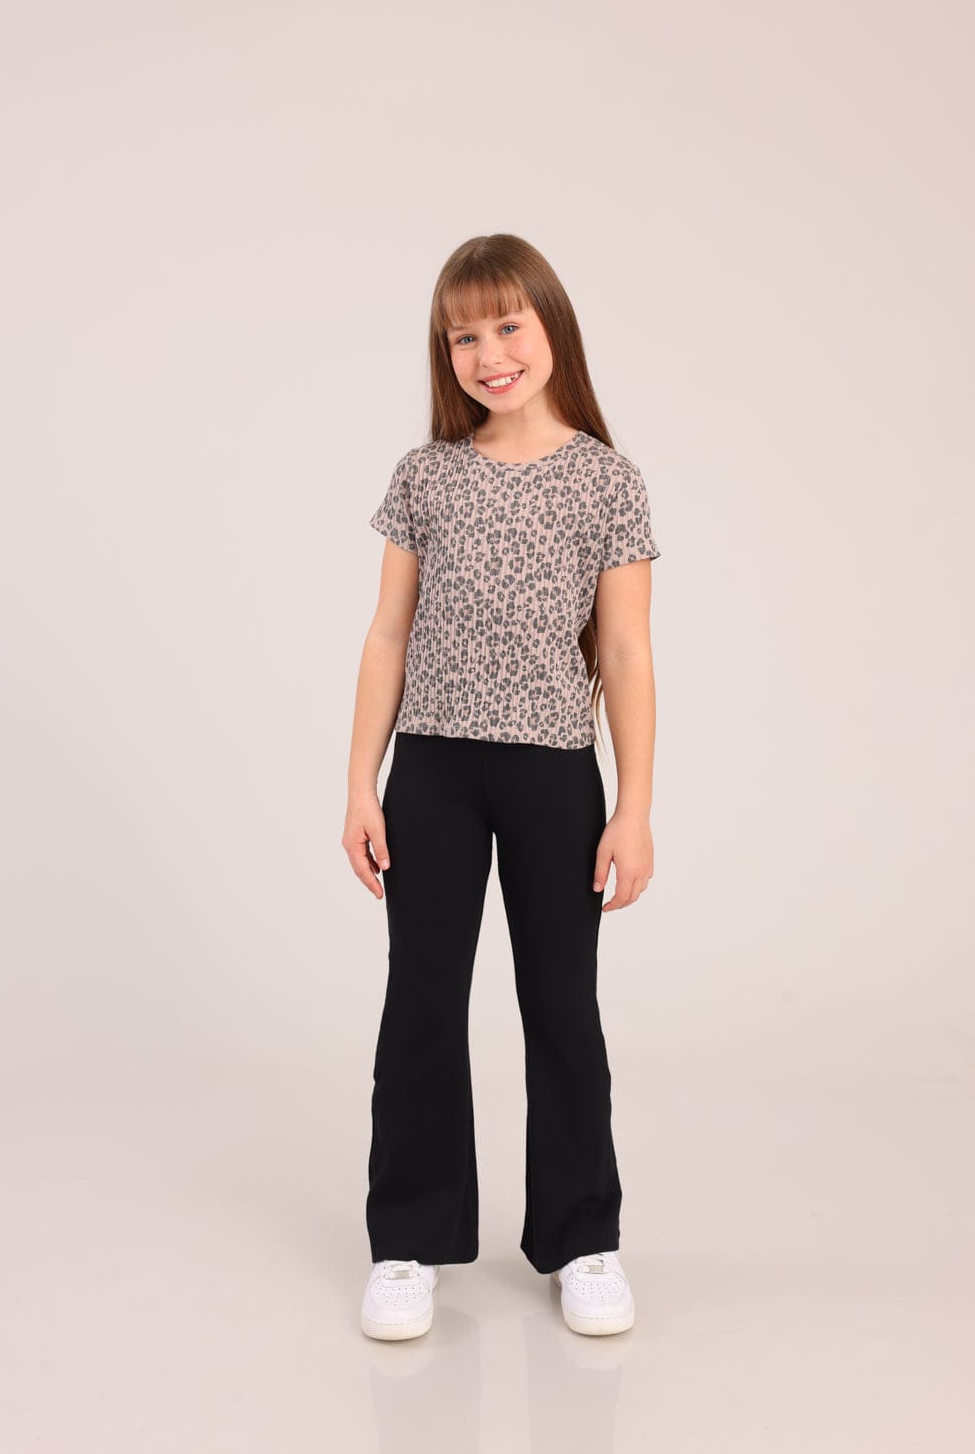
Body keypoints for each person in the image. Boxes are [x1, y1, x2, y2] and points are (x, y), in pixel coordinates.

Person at [343, 233, 660, 1342]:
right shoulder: (426, 474)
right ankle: (408, 1236)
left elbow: (625, 653)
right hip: (432, 767)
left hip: (552, 773)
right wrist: (361, 783)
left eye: (507, 326)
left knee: (561, 1004)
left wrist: (632, 806)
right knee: (421, 1002)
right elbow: (388, 633)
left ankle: (583, 1234)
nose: (488, 354)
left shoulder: (606, 481)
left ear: (551, 327)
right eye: (463, 336)